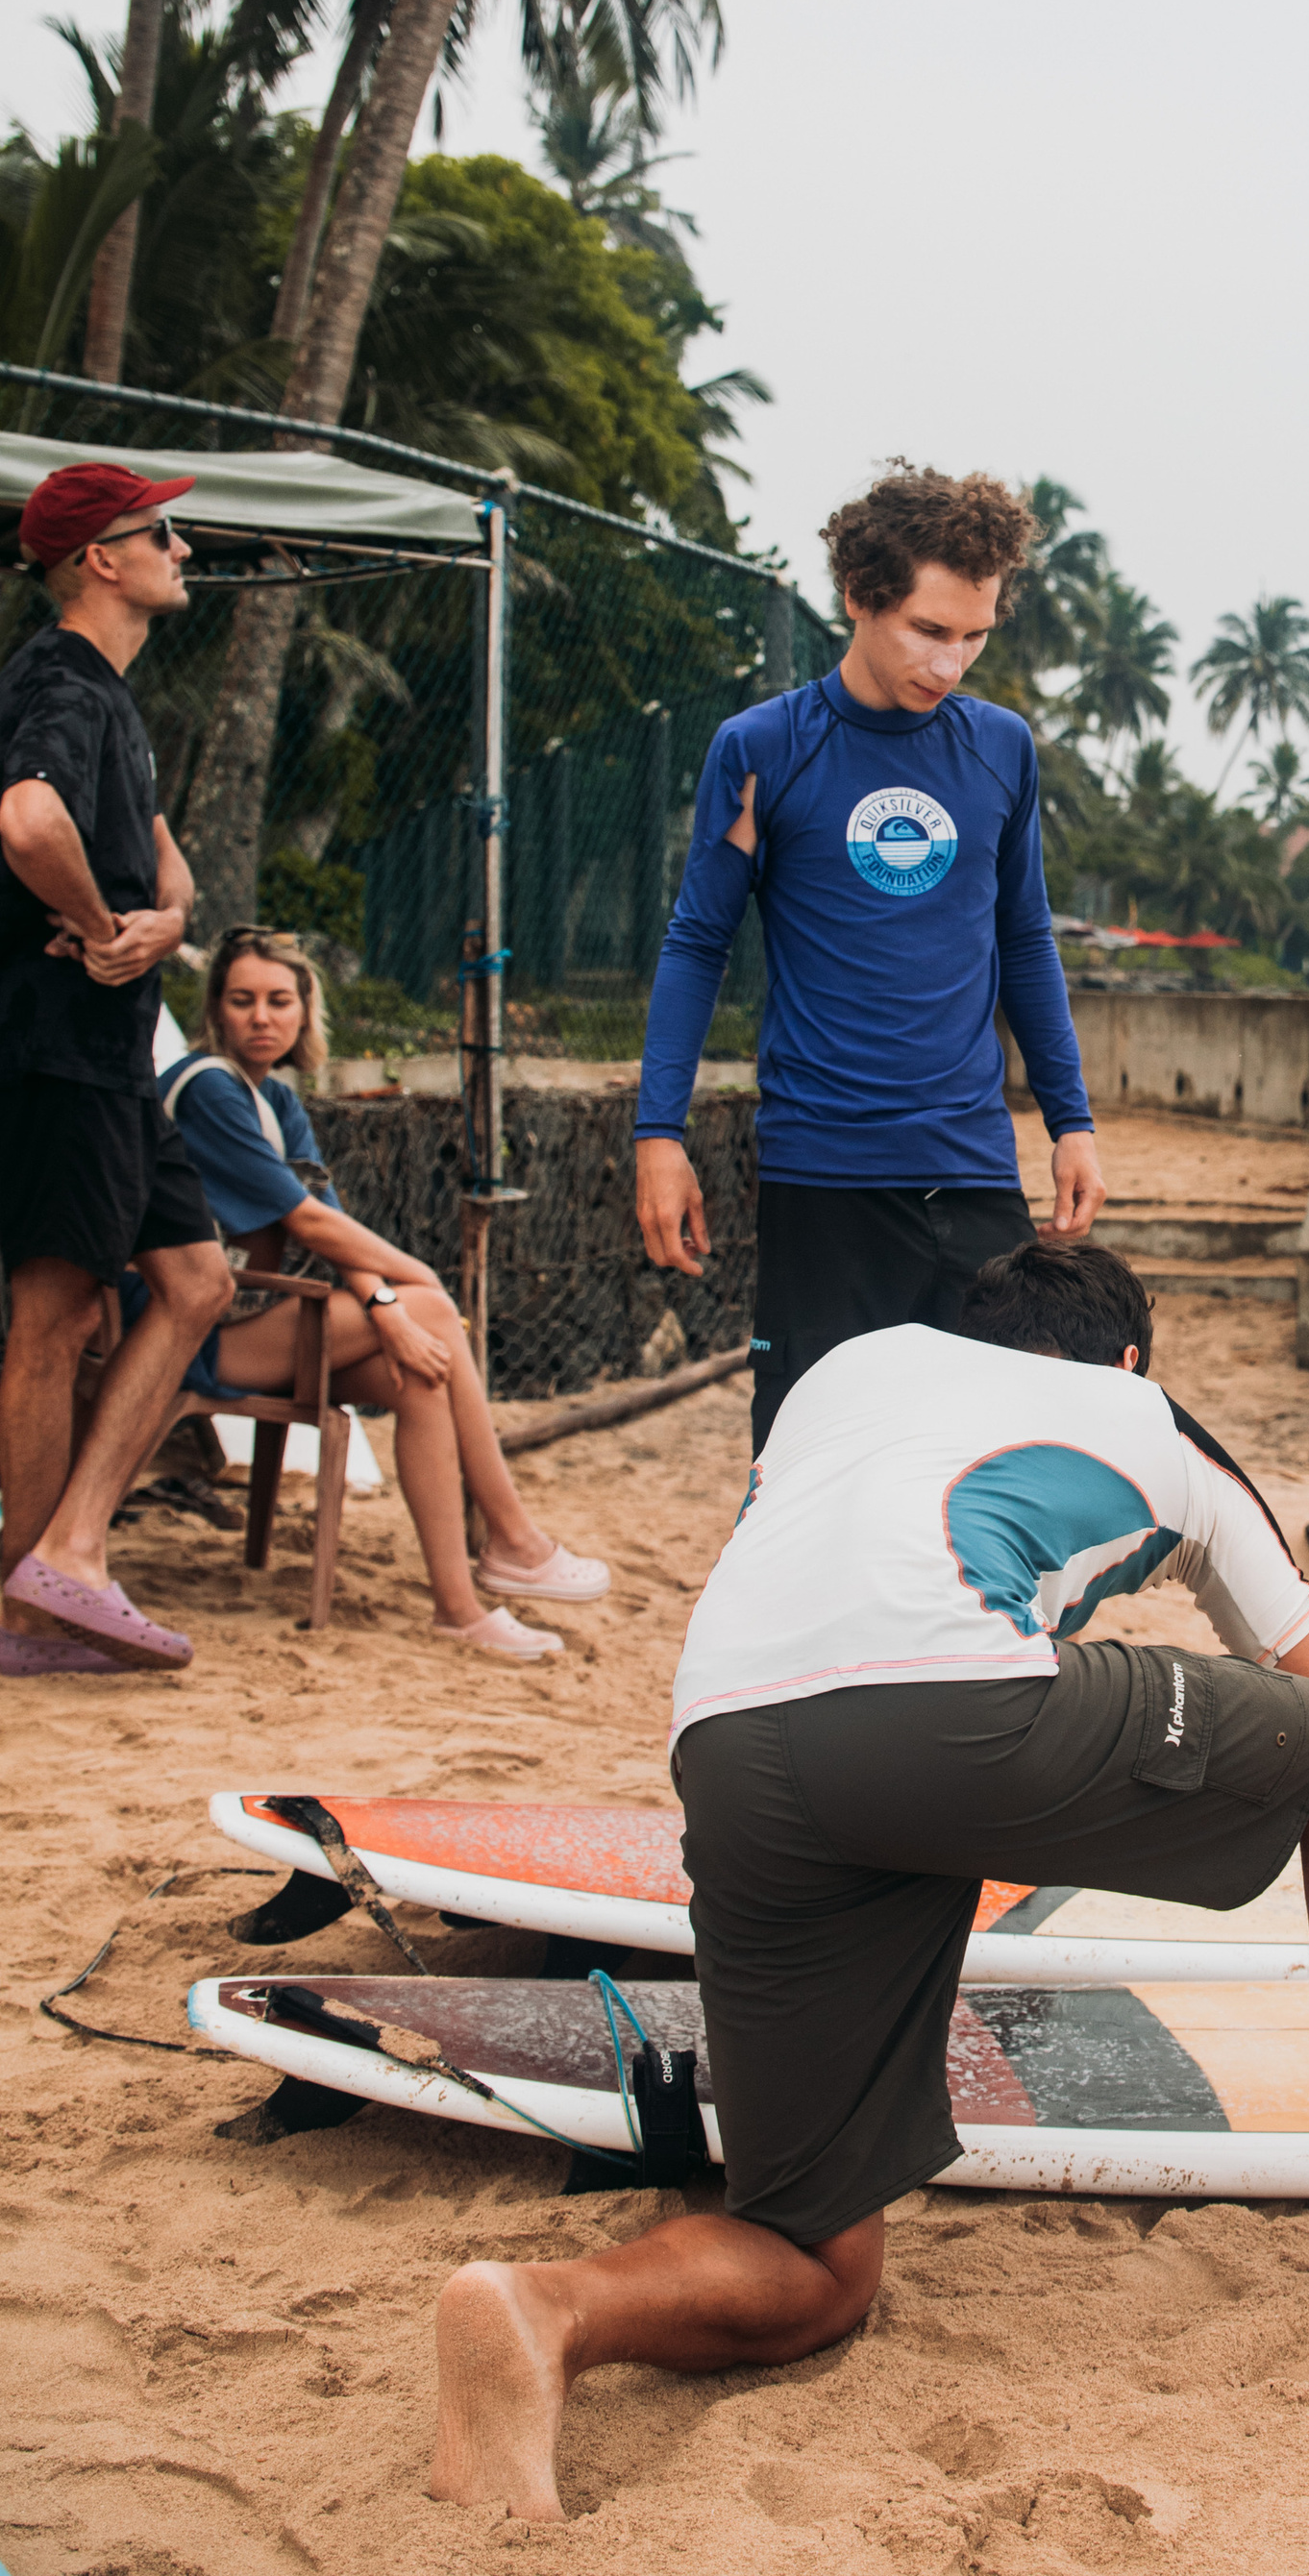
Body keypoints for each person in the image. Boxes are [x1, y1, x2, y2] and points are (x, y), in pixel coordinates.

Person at [429, 1239, 1309, 2521]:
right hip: (943, 1707)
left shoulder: (852, 1370)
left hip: (725, 1739)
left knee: (815, 2263)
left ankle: (544, 2308)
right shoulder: (1155, 1421)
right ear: (1129, 1357)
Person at [633, 464, 1105, 1455]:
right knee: (811, 1461)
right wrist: (657, 1134)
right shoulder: (763, 747)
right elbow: (695, 943)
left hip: (972, 1166)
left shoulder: (1001, 749)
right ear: (858, 597)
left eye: (974, 635)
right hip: (825, 1172)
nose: (952, 662)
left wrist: (1071, 1120)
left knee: (985, 1456)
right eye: (930, 631)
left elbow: (1023, 936)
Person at [154, 927, 608, 1658]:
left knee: (417, 1370)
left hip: (251, 1310)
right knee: (431, 1311)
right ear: (216, 1010)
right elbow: (305, 1221)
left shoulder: (274, 1096)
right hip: (186, 1329)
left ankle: (460, 1607)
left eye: (278, 1000)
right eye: (241, 1001)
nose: (261, 1017)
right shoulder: (210, 1088)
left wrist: (387, 1306)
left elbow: (328, 1222)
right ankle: (515, 1538)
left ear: (305, 1010)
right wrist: (415, 1286)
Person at [0, 461, 229, 1676]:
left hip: (114, 1060)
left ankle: (73, 1550)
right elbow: (28, 822)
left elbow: (160, 857)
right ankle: (23, 1604)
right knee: (53, 1318)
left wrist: (161, 919)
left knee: (196, 1279)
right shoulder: (57, 680)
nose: (183, 549)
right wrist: (99, 927)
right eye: (164, 532)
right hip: (57, 1048)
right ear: (102, 557)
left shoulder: (110, 694)